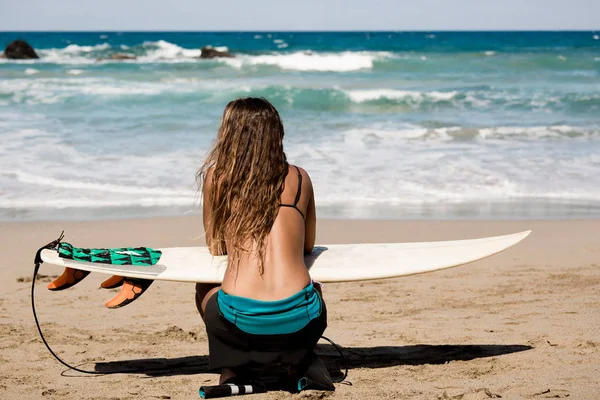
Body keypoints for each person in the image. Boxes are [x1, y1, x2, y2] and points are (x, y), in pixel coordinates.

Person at [194, 97, 327, 385]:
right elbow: (308, 245)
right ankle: (295, 362)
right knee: (314, 288)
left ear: (229, 134)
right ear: (276, 132)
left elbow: (215, 246)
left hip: (239, 322)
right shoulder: (300, 178)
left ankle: (231, 369)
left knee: (205, 288)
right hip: (302, 319)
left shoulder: (217, 177)